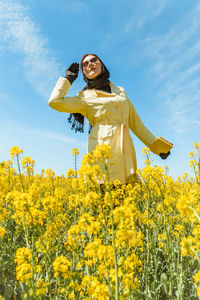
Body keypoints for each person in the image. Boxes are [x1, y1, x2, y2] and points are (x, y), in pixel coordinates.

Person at [48, 54, 171, 184]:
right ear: (83, 72)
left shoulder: (120, 91)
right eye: (85, 64)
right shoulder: (84, 97)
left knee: (129, 195)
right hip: (101, 153)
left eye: (94, 60)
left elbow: (136, 123)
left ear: (102, 64)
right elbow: (55, 102)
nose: (89, 64)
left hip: (125, 151)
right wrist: (68, 79)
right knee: (105, 197)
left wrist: (158, 147)